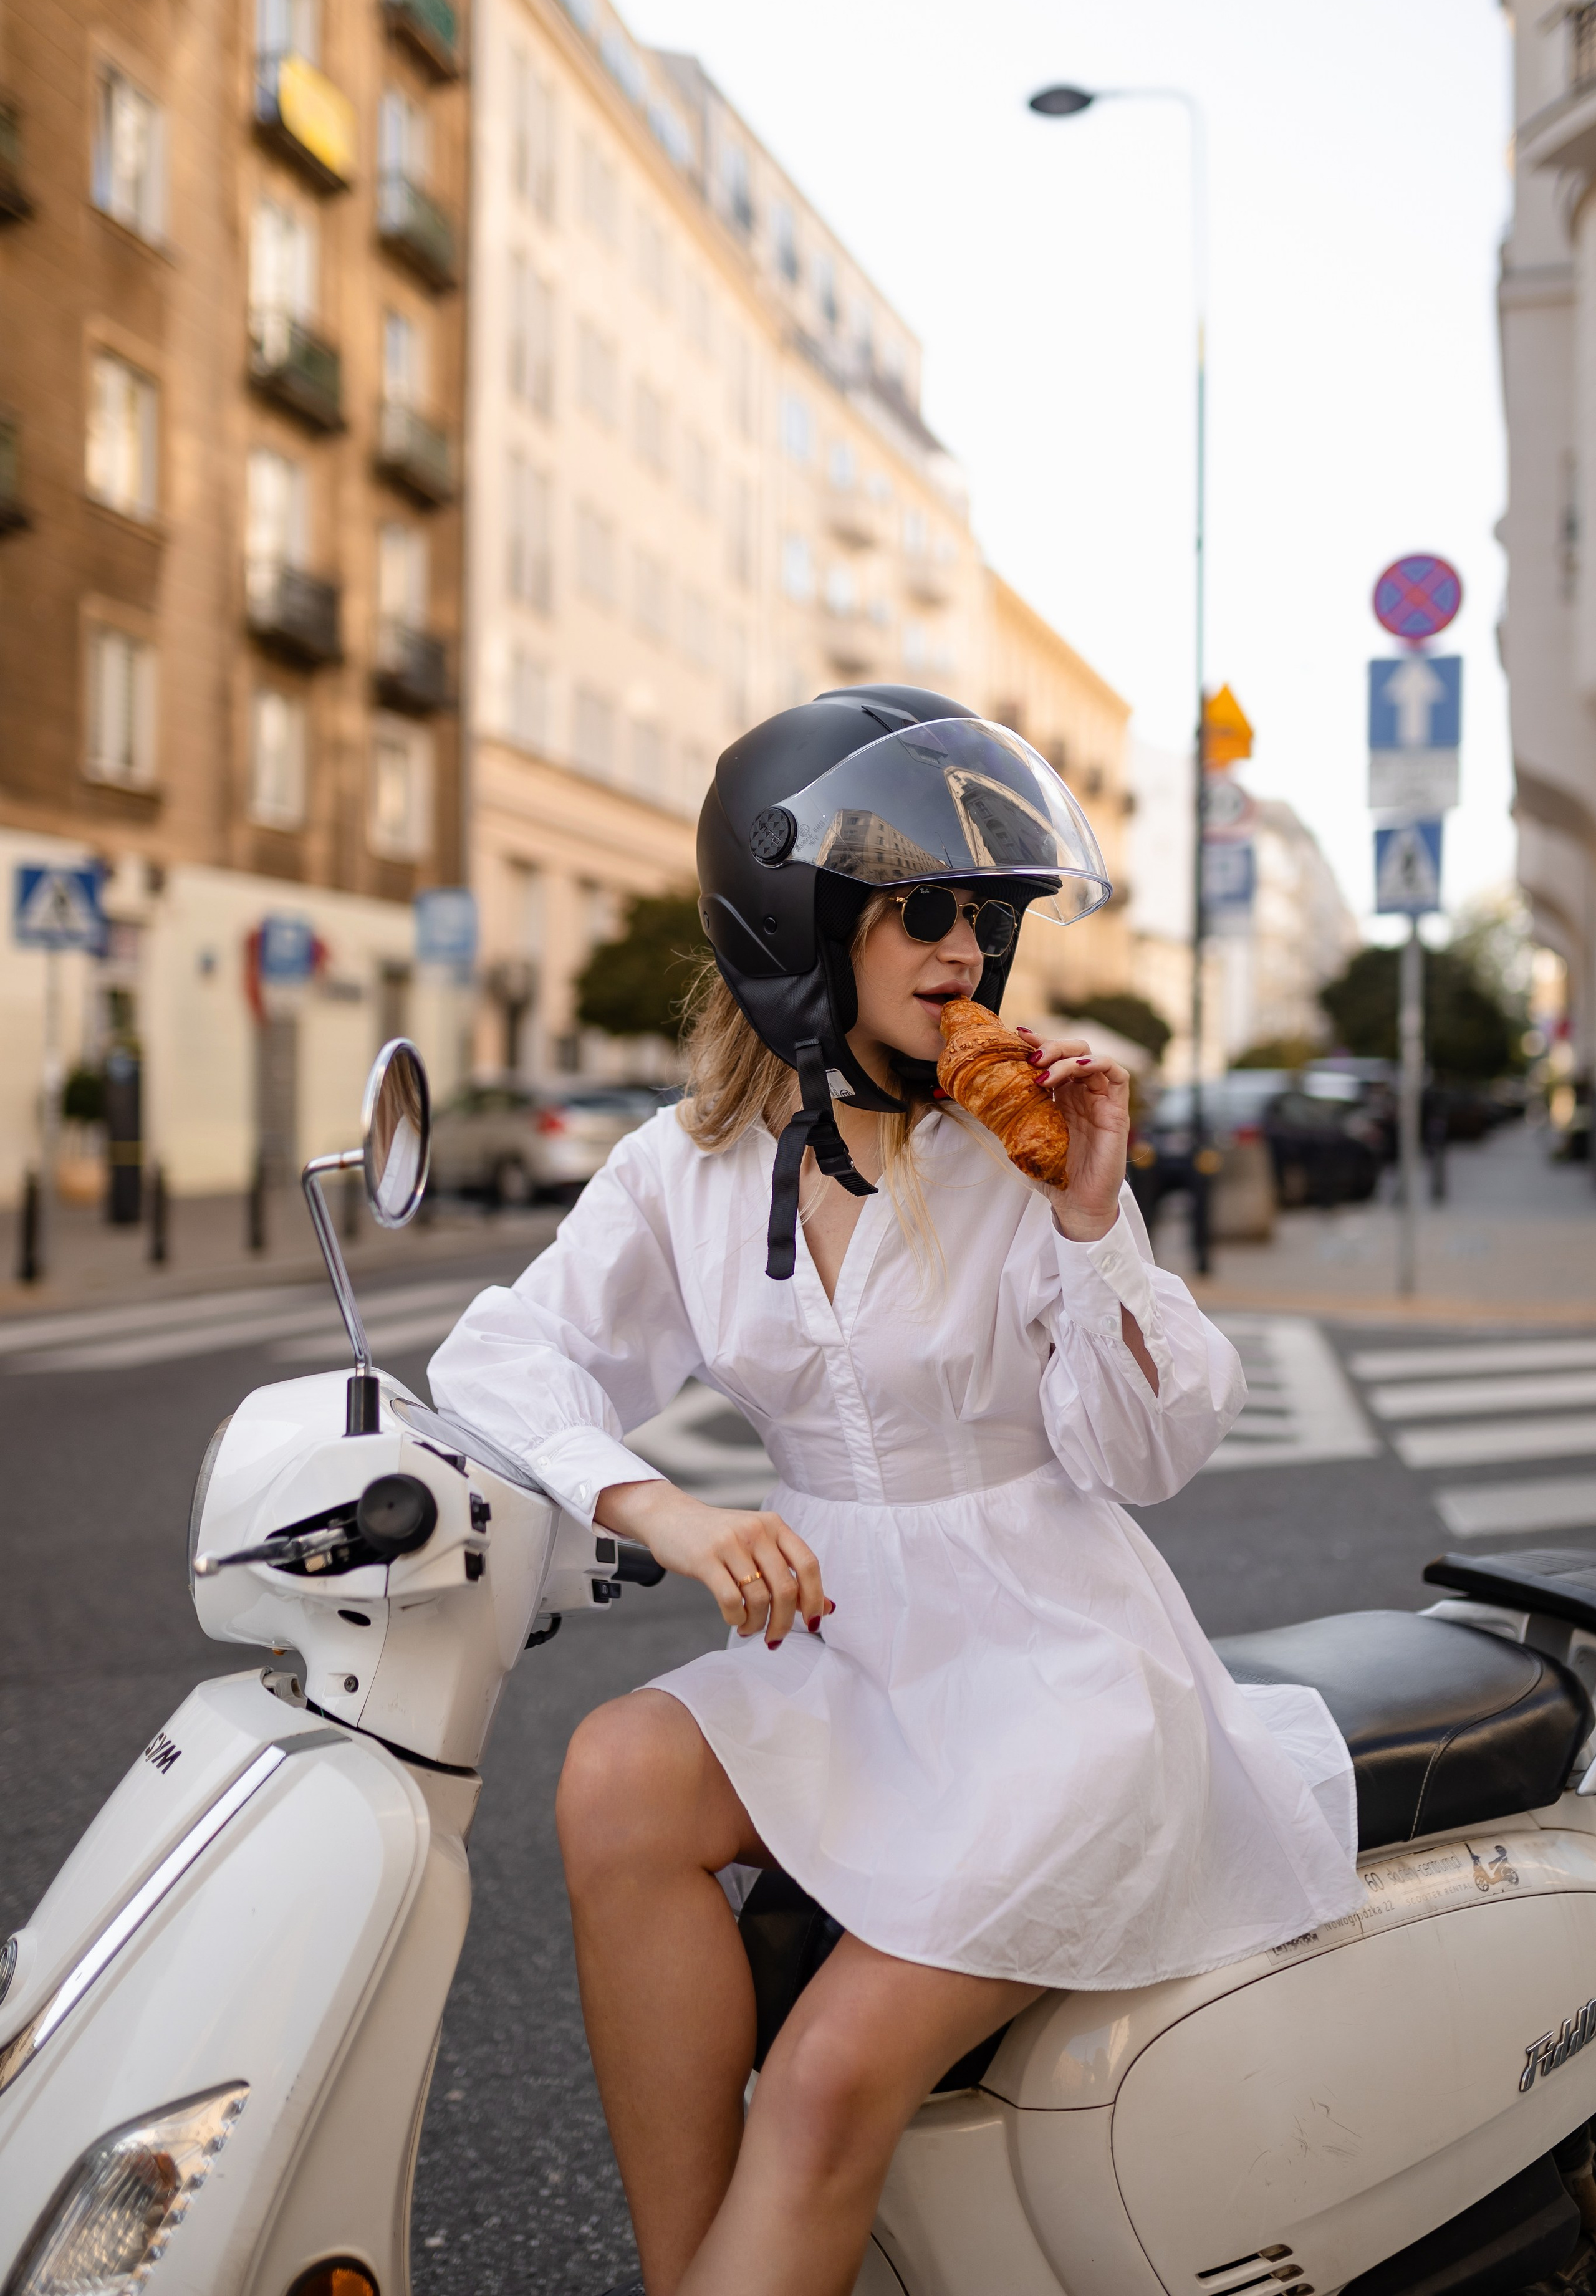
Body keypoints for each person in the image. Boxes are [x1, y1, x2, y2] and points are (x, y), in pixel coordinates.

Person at [429, 686, 1362, 2296]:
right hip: (848, 1653)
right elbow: (501, 1361)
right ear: (798, 925)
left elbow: (1151, 1453)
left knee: (824, 2086)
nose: (964, 957)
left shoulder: (1017, 1156)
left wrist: (1091, 1217)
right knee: (613, 1777)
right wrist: (666, 1511)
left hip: (1052, 1677)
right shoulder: (690, 1168)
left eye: (985, 924)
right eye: (920, 913)